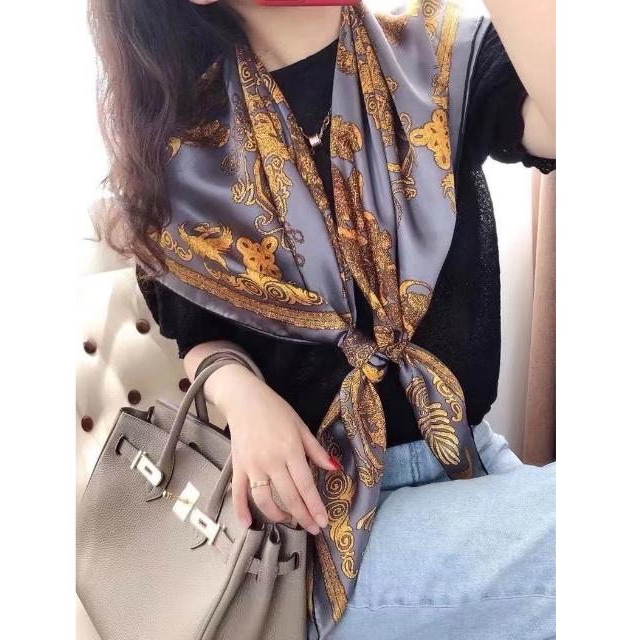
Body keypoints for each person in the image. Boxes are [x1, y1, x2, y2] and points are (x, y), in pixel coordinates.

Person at [89, 0, 556, 638]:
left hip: (469, 458)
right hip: (327, 534)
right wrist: (241, 396)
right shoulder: (188, 156)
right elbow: (195, 330)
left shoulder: (439, 59)